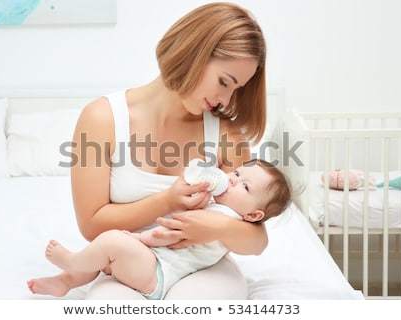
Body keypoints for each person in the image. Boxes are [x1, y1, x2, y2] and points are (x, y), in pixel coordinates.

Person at [69, 2, 268, 299]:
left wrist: (217, 227)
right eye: (224, 82)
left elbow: (257, 238)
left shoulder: (226, 133)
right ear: (192, 55)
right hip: (130, 264)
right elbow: (91, 225)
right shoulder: (103, 118)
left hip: (203, 268)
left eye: (236, 89)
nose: (226, 99)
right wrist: (166, 201)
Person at [27, 159, 292, 299]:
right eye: (236, 174)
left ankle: (72, 262)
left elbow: (167, 234)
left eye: (245, 186)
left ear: (254, 214)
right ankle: (65, 282)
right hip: (152, 264)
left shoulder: (225, 220)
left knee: (111, 242)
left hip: (158, 273)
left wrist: (139, 238)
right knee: (102, 255)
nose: (233, 181)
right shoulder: (216, 207)